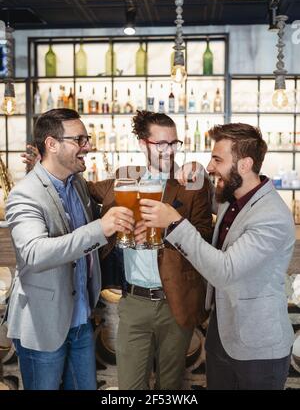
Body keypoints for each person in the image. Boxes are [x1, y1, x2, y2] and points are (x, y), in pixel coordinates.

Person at [138, 122, 295, 390]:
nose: (211, 166)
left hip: (258, 350)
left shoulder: (272, 216)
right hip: (221, 337)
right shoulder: (231, 198)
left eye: (217, 159)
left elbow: (225, 270)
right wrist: (194, 170)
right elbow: (205, 194)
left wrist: (174, 224)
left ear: (244, 165)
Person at [5, 109, 135, 390]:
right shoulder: (24, 194)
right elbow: (35, 253)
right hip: (42, 325)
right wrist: (101, 228)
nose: (87, 146)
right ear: (52, 144)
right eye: (80, 139)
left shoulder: (77, 184)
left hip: (81, 320)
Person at [87, 111, 213, 390]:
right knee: (130, 386)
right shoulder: (124, 179)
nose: (169, 151)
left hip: (175, 300)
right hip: (133, 302)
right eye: (161, 144)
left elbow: (204, 237)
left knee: (171, 386)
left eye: (174, 143)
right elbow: (85, 189)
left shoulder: (192, 184)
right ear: (143, 144)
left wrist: (168, 230)